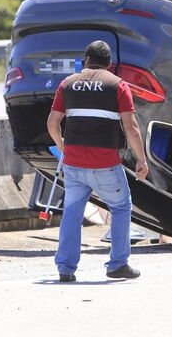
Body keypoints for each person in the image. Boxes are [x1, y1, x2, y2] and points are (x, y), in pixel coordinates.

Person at [47, 40, 149, 282]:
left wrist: (62, 146)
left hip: (73, 163)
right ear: (110, 64)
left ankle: (65, 268)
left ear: (86, 60)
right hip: (105, 164)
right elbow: (131, 127)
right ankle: (117, 264)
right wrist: (141, 159)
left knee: (72, 212)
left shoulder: (67, 84)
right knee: (121, 206)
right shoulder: (117, 85)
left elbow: (52, 123)